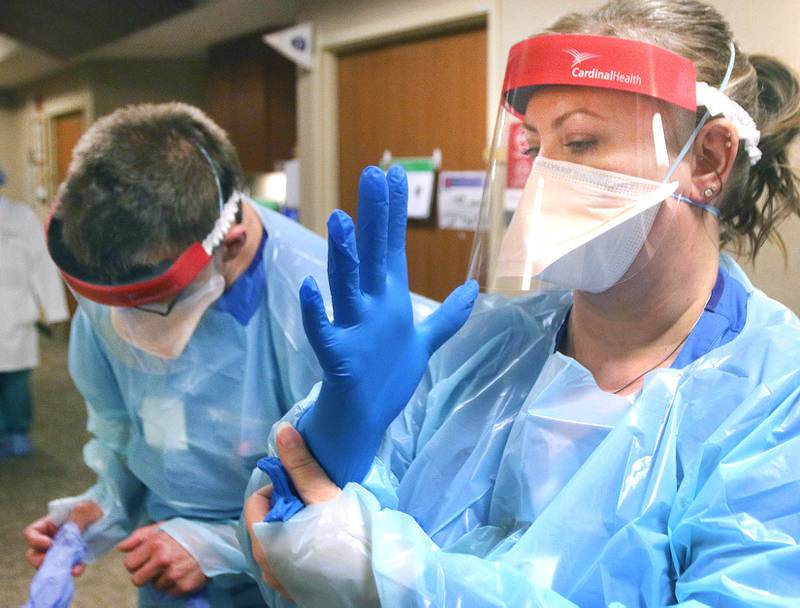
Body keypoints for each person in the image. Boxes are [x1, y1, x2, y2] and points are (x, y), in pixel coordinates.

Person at [242, 1, 800, 606]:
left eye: (581, 142)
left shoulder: (777, 398)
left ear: (708, 158)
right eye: (536, 148)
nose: (543, 182)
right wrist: (337, 438)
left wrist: (387, 578)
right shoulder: (477, 348)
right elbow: (280, 533)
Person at [21, 101, 433, 607]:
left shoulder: (319, 311)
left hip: (292, 585)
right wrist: (103, 510)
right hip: (166, 562)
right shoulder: (118, 280)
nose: (127, 324)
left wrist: (215, 545)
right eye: (112, 304)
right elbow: (123, 436)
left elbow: (361, 515)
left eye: (154, 303)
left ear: (230, 242)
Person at [0, 171, 69, 458]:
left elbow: (41, 264)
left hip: (15, 314)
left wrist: (54, 309)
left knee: (16, 384)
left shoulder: (21, 217)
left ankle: (17, 431)